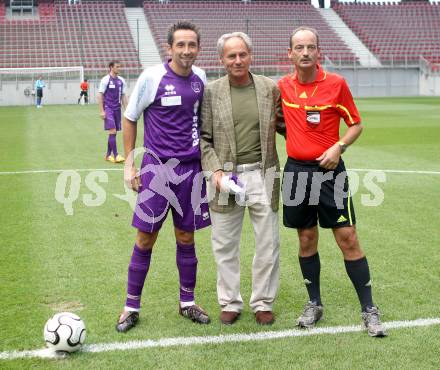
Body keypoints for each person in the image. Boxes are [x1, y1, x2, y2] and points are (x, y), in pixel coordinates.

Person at [278, 26, 386, 337]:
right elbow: (278, 120)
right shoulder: (282, 87)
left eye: (310, 47)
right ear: (290, 53)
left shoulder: (336, 84)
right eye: (299, 47)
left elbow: (355, 124)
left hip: (329, 174)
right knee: (306, 239)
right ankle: (314, 303)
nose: (305, 52)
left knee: (348, 237)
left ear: (318, 52)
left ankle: (369, 310)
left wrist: (339, 146)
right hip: (297, 172)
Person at [116, 21, 211, 332]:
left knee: (186, 237)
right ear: (169, 48)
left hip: (191, 171)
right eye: (180, 45)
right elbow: (130, 118)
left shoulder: (200, 78)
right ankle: (131, 306)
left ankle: (187, 303)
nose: (186, 50)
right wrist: (130, 164)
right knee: (146, 238)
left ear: (198, 48)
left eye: (191, 45)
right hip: (157, 171)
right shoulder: (152, 77)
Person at [200, 32, 285, 326]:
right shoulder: (211, 92)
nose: (237, 60)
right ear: (221, 59)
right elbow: (204, 138)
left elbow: (289, 126)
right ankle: (230, 302)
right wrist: (216, 173)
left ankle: (263, 302)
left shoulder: (269, 88)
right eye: (231, 55)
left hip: (265, 174)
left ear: (251, 55)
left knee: (268, 242)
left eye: (242, 54)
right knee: (224, 244)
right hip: (226, 178)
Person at [98, 60, 127, 163]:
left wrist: (126, 110)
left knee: (113, 133)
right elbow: (100, 95)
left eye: (120, 67)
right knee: (113, 131)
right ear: (111, 67)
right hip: (108, 108)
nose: (119, 68)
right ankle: (116, 155)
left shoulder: (121, 81)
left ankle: (107, 155)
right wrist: (102, 111)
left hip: (117, 109)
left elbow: (123, 95)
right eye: (117, 67)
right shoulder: (105, 80)